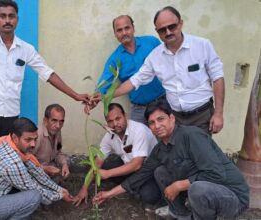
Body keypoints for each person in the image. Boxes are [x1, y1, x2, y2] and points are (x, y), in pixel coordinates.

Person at [0, 0, 90, 164]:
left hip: (11, 115)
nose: (7, 20)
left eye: (11, 16)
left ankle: (4, 191)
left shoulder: (26, 49)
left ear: (17, 19)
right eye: (2, 16)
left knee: (7, 159)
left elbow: (48, 73)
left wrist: (75, 95)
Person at [93, 99, 249, 219]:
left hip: (232, 197)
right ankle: (182, 216)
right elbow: (140, 175)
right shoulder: (160, 148)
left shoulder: (191, 136)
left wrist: (179, 185)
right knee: (160, 172)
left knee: (197, 189)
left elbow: (216, 173)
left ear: (172, 118)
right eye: (152, 123)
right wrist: (108, 194)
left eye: (161, 119)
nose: (157, 125)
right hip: (206, 191)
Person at [93, 6, 225, 134]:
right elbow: (133, 81)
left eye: (172, 26)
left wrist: (218, 113)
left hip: (185, 110)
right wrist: (100, 97)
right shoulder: (151, 56)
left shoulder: (200, 45)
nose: (168, 32)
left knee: (195, 150)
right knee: (155, 145)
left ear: (180, 24)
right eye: (162, 30)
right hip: (159, 112)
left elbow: (217, 77)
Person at [0, 117, 75, 220]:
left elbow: (36, 171)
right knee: (34, 196)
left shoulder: (7, 141)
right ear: (15, 138)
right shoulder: (12, 162)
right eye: (28, 140)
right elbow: (35, 189)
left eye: (35, 139)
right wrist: (60, 196)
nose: (33, 144)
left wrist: (59, 189)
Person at [74, 103, 161, 208]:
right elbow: (97, 162)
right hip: (128, 166)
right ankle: (130, 185)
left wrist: (108, 173)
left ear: (125, 115)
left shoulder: (139, 131)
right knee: (96, 168)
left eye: (118, 118)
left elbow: (137, 164)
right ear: (107, 123)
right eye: (110, 121)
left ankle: (131, 185)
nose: (115, 124)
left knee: (149, 196)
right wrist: (84, 188)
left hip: (147, 170)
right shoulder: (109, 136)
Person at [97, 15, 165, 124]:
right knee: (137, 139)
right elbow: (103, 84)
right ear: (115, 34)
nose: (124, 33)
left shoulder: (152, 43)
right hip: (139, 110)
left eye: (127, 28)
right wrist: (94, 98)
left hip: (162, 102)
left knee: (170, 137)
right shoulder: (114, 59)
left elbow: (169, 63)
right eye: (119, 30)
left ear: (133, 28)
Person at [33, 104, 70, 178]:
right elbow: (26, 160)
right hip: (35, 171)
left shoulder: (57, 131)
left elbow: (58, 152)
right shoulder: (37, 135)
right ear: (45, 120)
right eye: (54, 120)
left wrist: (64, 165)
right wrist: (44, 168)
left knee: (67, 161)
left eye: (61, 122)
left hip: (49, 165)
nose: (58, 126)